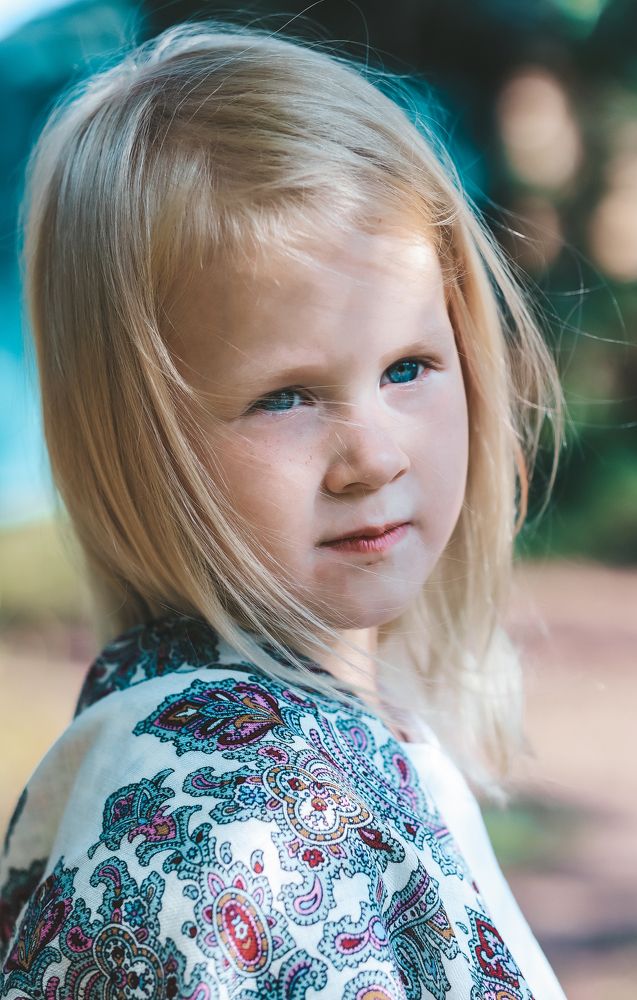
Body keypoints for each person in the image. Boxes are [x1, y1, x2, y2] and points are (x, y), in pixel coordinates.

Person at [0, 19, 568, 1000]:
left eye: (408, 368)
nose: (374, 457)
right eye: (287, 396)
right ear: (134, 439)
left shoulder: (354, 746)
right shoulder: (231, 821)